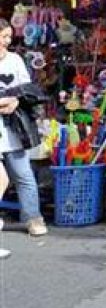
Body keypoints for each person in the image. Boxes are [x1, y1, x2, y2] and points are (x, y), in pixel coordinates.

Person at [0, 17, 47, 244]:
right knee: (1, 178)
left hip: (13, 128)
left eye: (9, 36)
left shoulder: (15, 60)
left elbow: (26, 88)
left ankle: (33, 218)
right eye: (3, 37)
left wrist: (16, 102)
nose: (6, 41)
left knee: (23, 174)